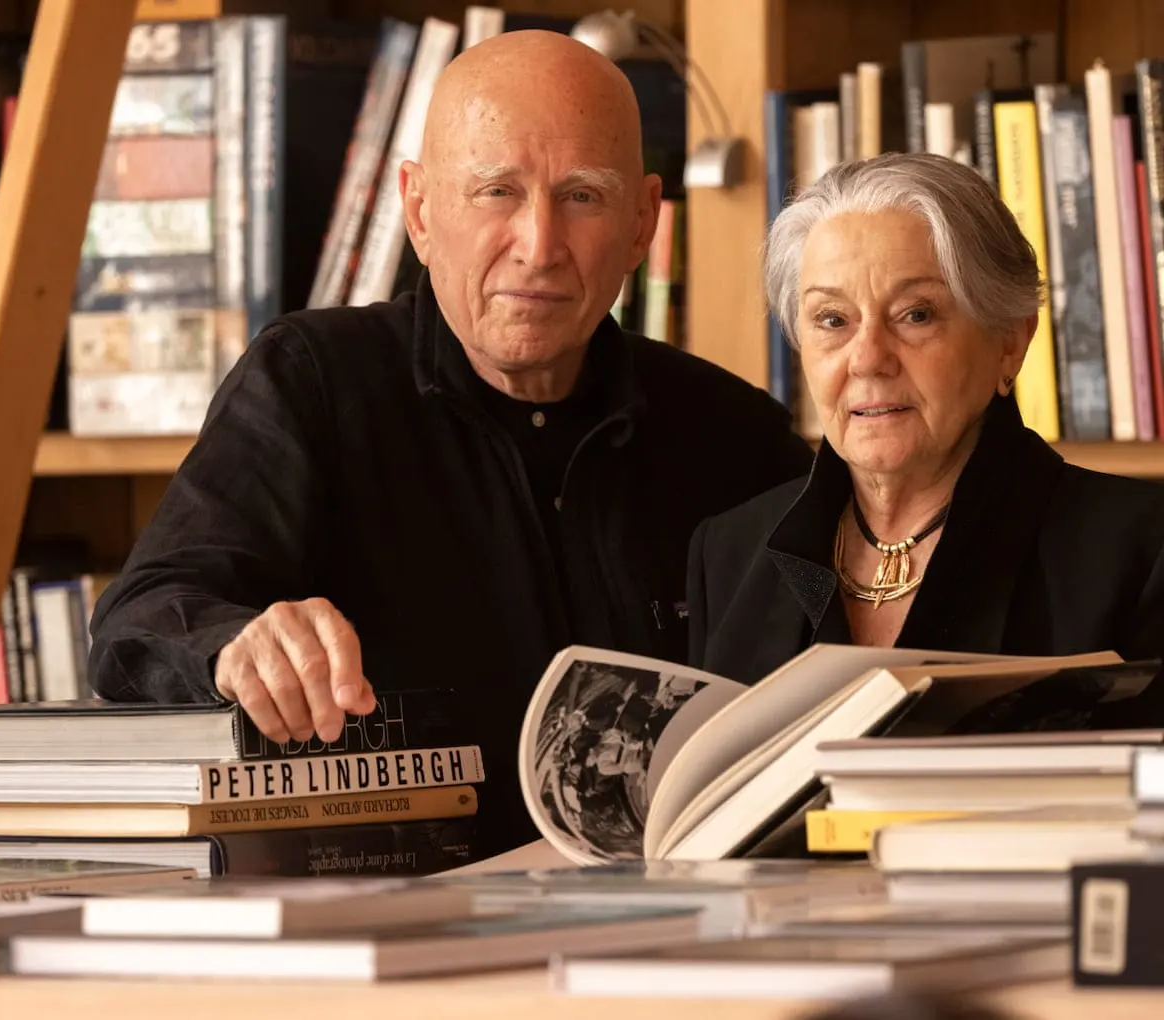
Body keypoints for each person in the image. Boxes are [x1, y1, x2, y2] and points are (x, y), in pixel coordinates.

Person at [87, 29, 812, 858]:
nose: (539, 246)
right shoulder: (313, 383)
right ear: (421, 211)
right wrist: (235, 647)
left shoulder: (735, 435)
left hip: (681, 929)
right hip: (382, 931)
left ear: (643, 220)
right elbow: (137, 621)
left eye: (582, 196)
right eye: (497, 191)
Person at [688, 152, 1164, 684]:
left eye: (916, 315)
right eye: (832, 319)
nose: (868, 358)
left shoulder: (1142, 552)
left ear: (1010, 341)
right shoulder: (727, 555)